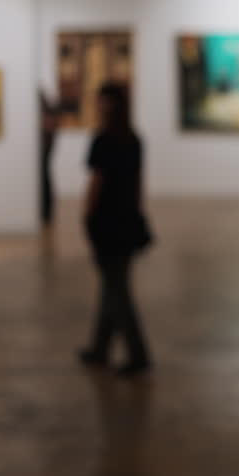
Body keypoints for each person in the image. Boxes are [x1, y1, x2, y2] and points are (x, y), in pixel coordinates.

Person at [78, 82, 153, 377]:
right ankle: (100, 348)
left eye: (100, 100)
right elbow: (137, 185)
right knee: (112, 285)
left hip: (106, 222)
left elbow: (96, 183)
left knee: (117, 290)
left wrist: (86, 214)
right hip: (125, 220)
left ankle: (139, 354)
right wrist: (136, 214)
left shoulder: (104, 139)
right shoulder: (134, 139)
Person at [39, 89, 61, 227]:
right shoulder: (49, 112)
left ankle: (47, 212)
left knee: (45, 177)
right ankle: (46, 212)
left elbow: (49, 130)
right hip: (46, 149)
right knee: (45, 177)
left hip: (45, 150)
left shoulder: (49, 113)